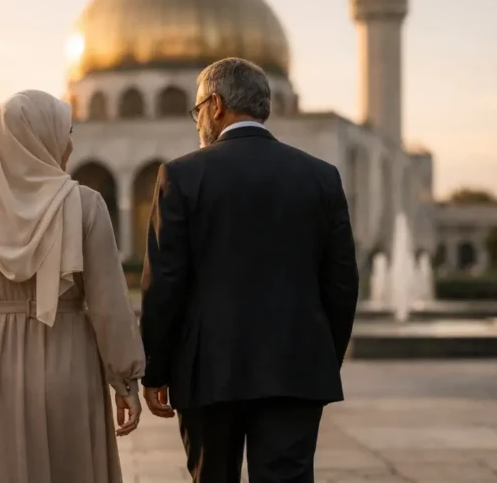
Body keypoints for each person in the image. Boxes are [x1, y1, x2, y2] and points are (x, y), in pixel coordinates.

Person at [139, 58, 360, 483]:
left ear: (216, 105)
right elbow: (341, 282)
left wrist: (156, 368)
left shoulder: (182, 176)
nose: (198, 118)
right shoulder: (319, 177)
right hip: (295, 367)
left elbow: (165, 282)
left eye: (198, 108)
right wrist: (321, 355)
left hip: (208, 371)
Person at [0, 89, 145, 483]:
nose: (71, 144)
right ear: (43, 139)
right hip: (66, 359)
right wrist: (125, 380)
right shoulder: (86, 205)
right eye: (66, 132)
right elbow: (109, 306)